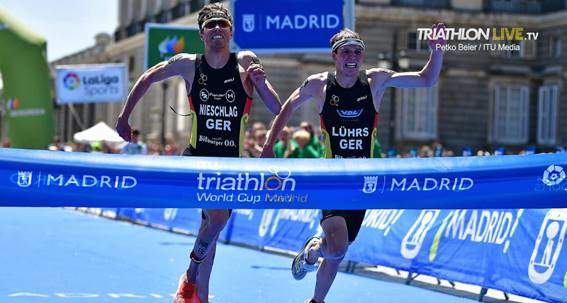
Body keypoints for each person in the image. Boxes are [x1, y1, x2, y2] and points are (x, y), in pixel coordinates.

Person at [261, 25, 445, 303]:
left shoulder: (375, 81)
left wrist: (437, 49)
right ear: (334, 56)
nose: (352, 56)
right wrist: (268, 147)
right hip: (333, 179)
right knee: (335, 249)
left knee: (338, 251)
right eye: (346, 51)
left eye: (357, 51)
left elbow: (426, 79)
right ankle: (315, 253)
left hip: (363, 182)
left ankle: (314, 282)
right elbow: (288, 107)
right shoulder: (319, 84)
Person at [115, 4, 281, 303]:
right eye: (211, 25)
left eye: (222, 24)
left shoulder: (245, 62)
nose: (217, 28)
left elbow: (276, 108)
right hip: (197, 157)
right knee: (216, 219)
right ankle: (191, 280)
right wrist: (124, 117)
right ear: (202, 33)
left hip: (231, 161)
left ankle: (197, 291)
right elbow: (148, 77)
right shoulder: (189, 64)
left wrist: (259, 83)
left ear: (231, 31)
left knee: (211, 227)